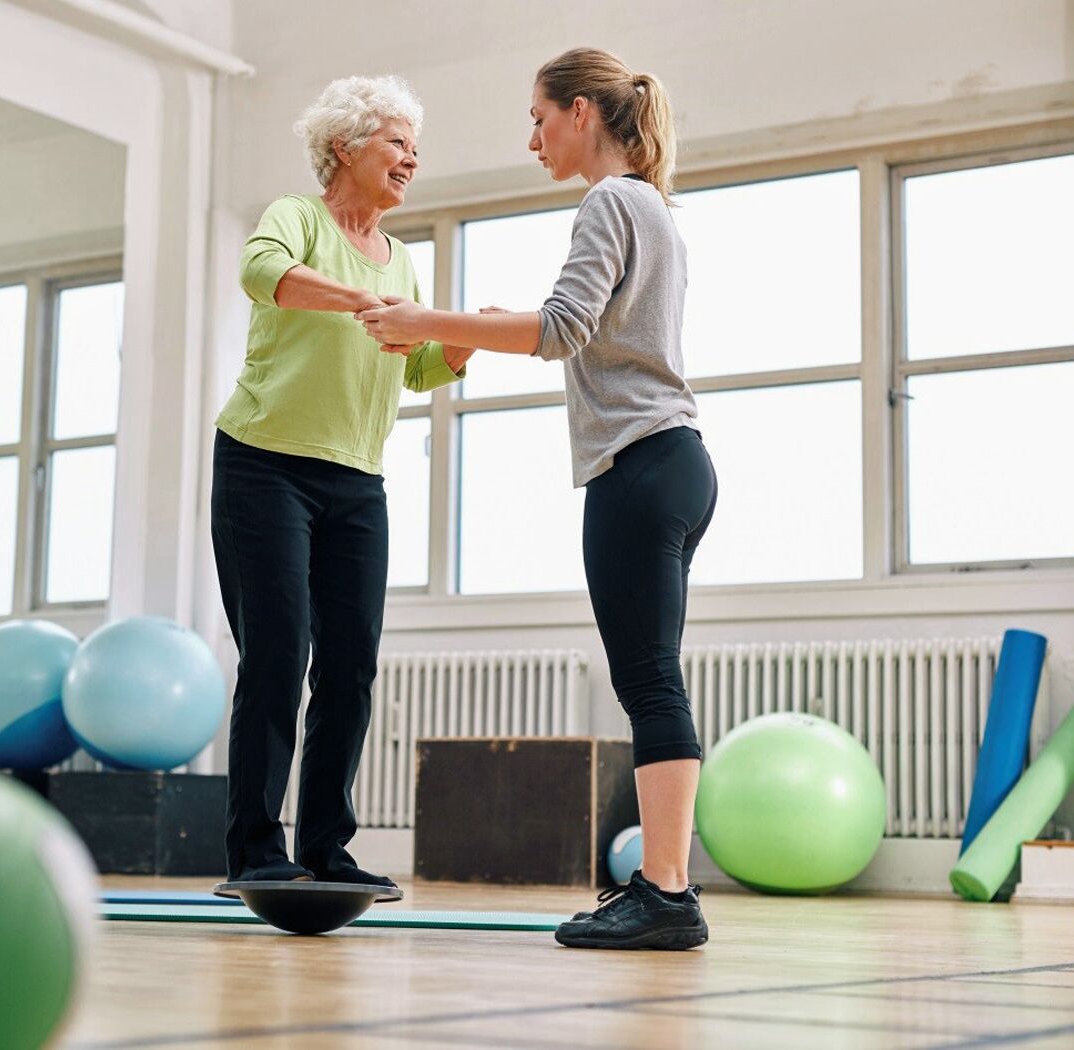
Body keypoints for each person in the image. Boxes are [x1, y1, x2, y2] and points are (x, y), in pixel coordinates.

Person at [358, 48, 716, 950]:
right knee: (654, 678)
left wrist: (426, 321)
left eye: (540, 118)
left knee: (647, 682)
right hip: (675, 461)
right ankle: (669, 890)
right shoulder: (656, 209)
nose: (532, 138)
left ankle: (667, 894)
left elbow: (561, 330)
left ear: (585, 111)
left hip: (639, 466)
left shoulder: (611, 200)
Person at [212, 75, 471, 890]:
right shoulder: (298, 217)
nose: (411, 157)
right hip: (264, 466)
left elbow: (418, 366)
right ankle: (256, 850)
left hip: (357, 482)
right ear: (345, 147)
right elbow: (265, 274)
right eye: (396, 140)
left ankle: (327, 847)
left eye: (414, 145)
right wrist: (365, 301)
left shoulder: (406, 260)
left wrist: (459, 343)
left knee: (351, 663)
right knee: (278, 656)